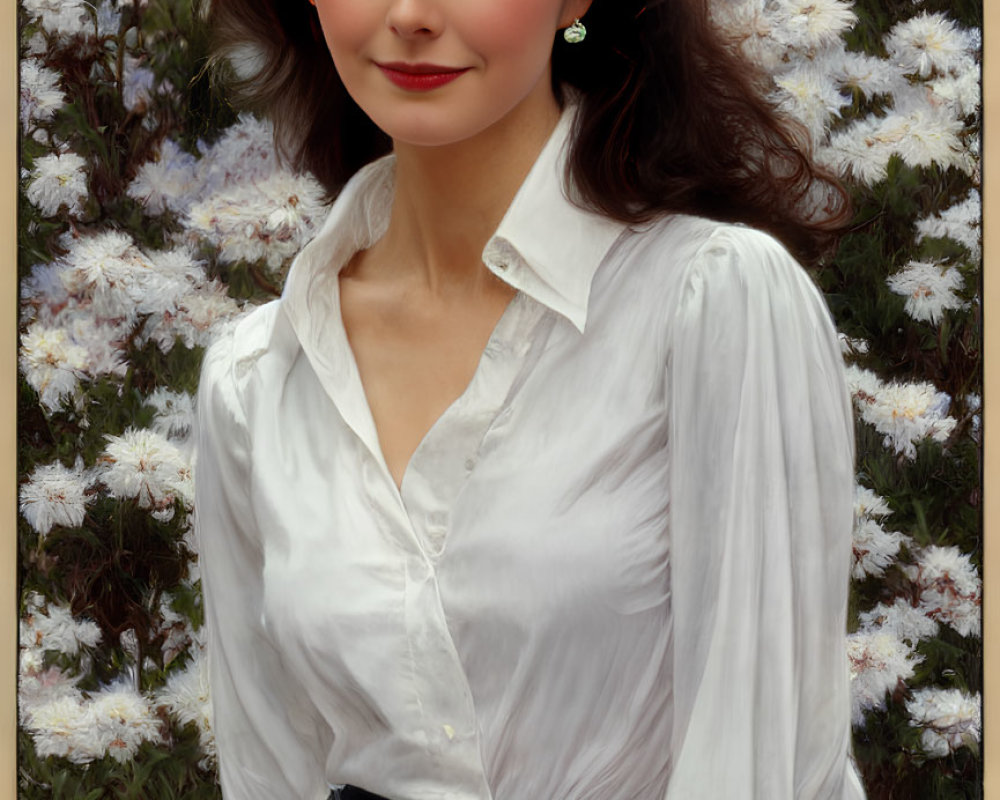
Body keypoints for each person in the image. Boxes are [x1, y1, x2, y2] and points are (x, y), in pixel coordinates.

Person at [194, 0, 868, 797]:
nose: (410, 15)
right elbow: (267, 769)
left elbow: (767, 767)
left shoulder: (713, 303)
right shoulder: (257, 377)